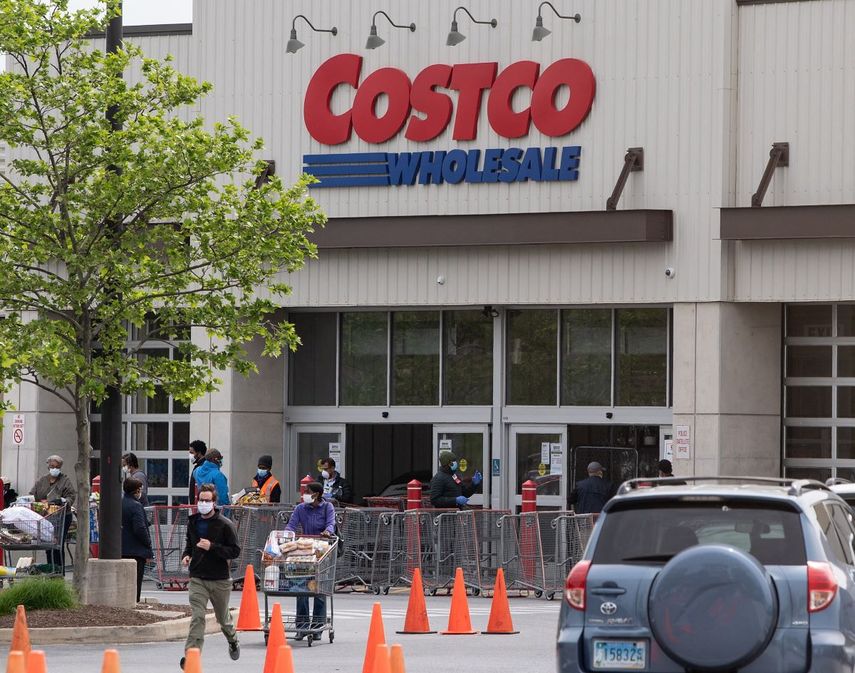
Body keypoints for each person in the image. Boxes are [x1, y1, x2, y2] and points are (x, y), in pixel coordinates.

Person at [180, 484, 241, 670]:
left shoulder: (225, 524)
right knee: (198, 617)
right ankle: (192, 655)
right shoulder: (193, 522)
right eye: (201, 500)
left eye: (208, 500)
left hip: (220, 580)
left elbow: (235, 551)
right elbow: (190, 544)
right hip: (198, 577)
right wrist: (186, 555)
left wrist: (213, 547)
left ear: (214, 503)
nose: (204, 503)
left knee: (223, 619)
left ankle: (232, 639)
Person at [283, 482, 335, 639]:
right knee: (301, 588)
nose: (304, 494)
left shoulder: (327, 507)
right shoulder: (300, 509)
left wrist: (327, 532)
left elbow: (331, 524)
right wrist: (285, 535)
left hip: (321, 550)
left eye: (308, 492)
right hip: (304, 551)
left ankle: (318, 627)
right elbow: (291, 526)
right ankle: (302, 626)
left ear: (317, 495)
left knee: (319, 589)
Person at [30, 455, 75, 570]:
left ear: (60, 467)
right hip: (46, 516)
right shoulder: (41, 481)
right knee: (47, 545)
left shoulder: (65, 480)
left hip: (62, 517)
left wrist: (62, 500)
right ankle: (51, 569)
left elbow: (71, 496)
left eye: (57, 467)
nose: (54, 469)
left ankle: (59, 570)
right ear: (48, 467)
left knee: (57, 544)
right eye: (52, 466)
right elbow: (32, 495)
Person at [121, 477, 153, 603]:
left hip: (121, 548)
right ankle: (134, 601)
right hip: (136, 550)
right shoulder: (136, 506)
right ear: (137, 490)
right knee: (136, 581)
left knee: (123, 580)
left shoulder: (120, 503)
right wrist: (148, 544)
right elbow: (140, 528)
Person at [188, 440, 208, 504]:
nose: (190, 455)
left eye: (192, 452)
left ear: (199, 453)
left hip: (200, 505)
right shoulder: (198, 466)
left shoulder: (203, 467)